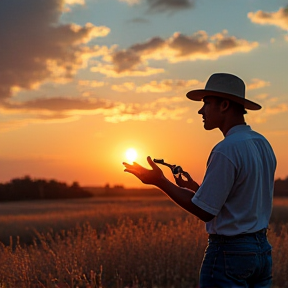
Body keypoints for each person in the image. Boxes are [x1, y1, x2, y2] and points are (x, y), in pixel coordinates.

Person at [123, 73, 276, 287]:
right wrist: (196, 188)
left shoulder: (226, 149)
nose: (200, 110)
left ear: (223, 105)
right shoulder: (262, 144)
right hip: (261, 251)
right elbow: (240, 199)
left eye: (206, 103)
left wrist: (160, 181)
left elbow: (205, 212)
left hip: (230, 254)